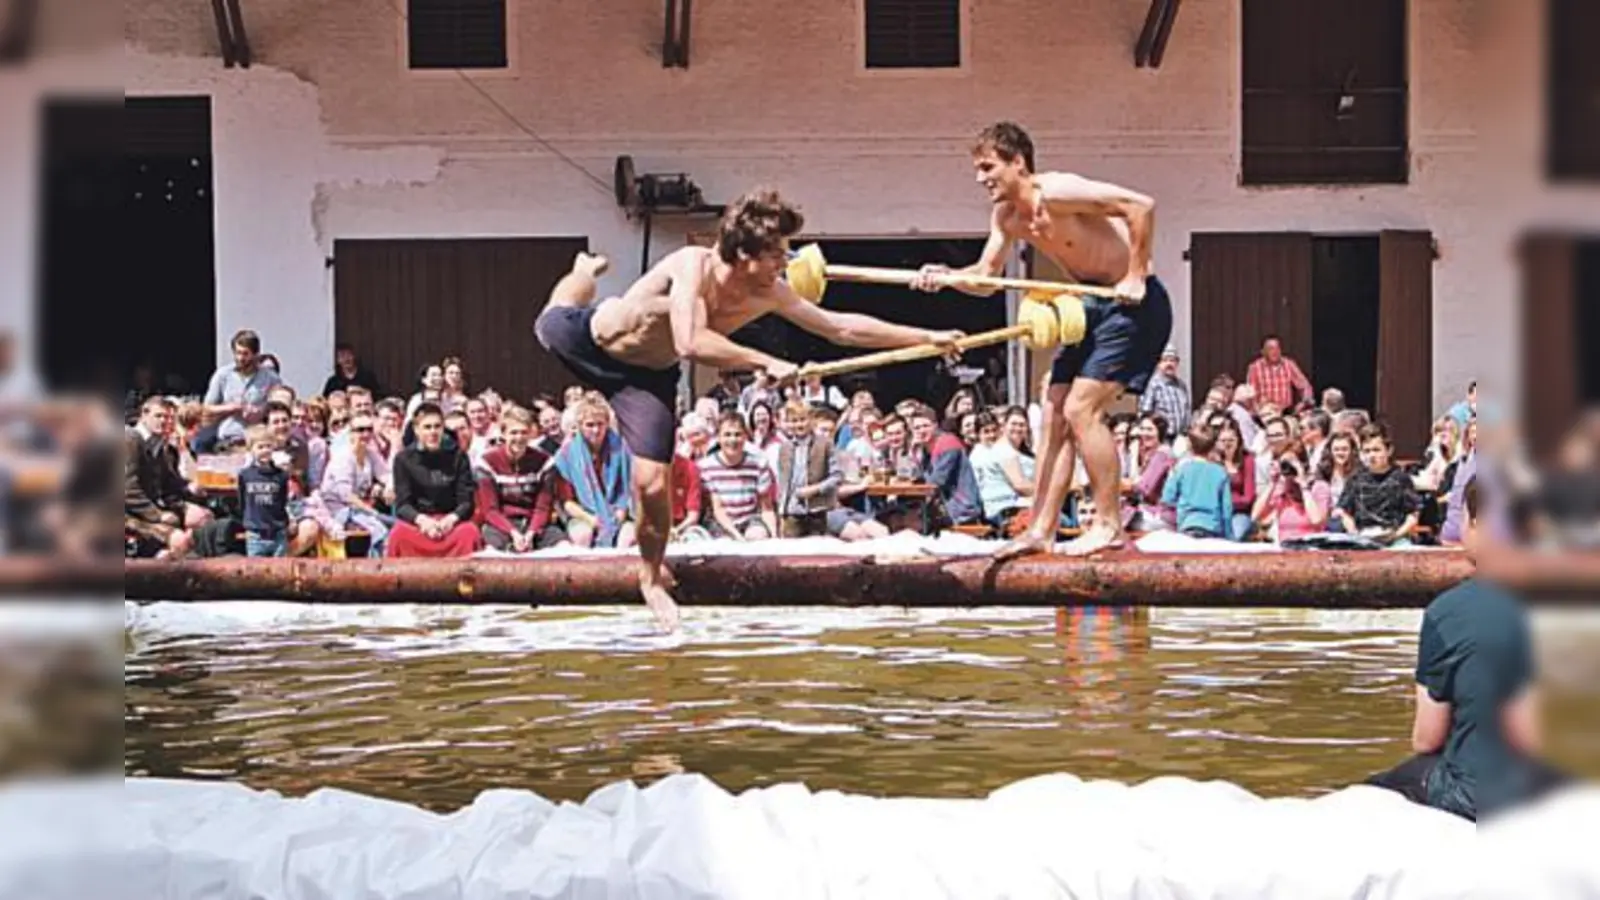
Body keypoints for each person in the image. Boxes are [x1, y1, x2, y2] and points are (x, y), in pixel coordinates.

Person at [534, 187, 962, 632]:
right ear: (743, 254)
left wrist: (925, 337)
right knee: (562, 304)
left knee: (652, 485)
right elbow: (690, 341)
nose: (785, 261)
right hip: (590, 339)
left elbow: (842, 328)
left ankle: (650, 577)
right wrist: (764, 360)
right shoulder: (691, 266)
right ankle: (583, 270)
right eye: (776, 253)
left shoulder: (769, 292)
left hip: (646, 379)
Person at [912, 121, 1172, 558]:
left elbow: (1140, 206)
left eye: (988, 166)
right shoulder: (1008, 216)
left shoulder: (1057, 191)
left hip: (1133, 304)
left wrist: (1135, 273)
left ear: (1018, 162)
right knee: (1053, 415)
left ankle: (1109, 524)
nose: (981, 178)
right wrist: (945, 277)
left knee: (1080, 408)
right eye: (977, 169)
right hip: (1088, 304)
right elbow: (986, 280)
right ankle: (1041, 529)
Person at [1365, 477, 1571, 821]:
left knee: (1375, 795)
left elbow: (1426, 739)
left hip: (1484, 796)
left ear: (1478, 523)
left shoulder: (1449, 612)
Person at [386, 403, 482, 558]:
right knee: (398, 534)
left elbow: (466, 502)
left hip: (450, 523)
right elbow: (403, 504)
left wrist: (450, 520)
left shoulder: (458, 457)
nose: (433, 432)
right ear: (417, 430)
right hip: (419, 523)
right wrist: (423, 521)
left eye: (437, 426)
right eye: (427, 427)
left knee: (469, 533)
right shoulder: (403, 459)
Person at [236, 425, 292, 558]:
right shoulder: (245, 475)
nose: (265, 450)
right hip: (256, 533)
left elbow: (283, 500)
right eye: (260, 447)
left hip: (278, 531)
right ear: (251, 450)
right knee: (255, 572)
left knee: (279, 570)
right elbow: (242, 501)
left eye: (268, 446)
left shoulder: (281, 475)